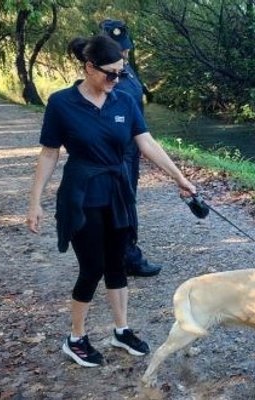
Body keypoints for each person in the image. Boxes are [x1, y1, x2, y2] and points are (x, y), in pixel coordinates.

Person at [26, 34, 196, 367]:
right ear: (89, 68)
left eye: (121, 72)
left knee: (118, 263)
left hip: (118, 192)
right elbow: (48, 154)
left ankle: (121, 329)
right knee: (93, 267)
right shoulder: (61, 103)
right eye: (110, 73)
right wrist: (35, 202)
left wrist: (180, 178)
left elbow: (147, 143)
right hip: (82, 194)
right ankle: (75, 338)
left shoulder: (124, 101)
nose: (116, 80)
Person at [98, 19, 161, 277]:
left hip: (131, 147)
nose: (123, 53)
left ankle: (120, 252)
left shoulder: (128, 68)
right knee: (121, 203)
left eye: (124, 48)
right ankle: (127, 258)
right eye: (117, 49)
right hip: (116, 150)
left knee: (126, 200)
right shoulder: (104, 74)